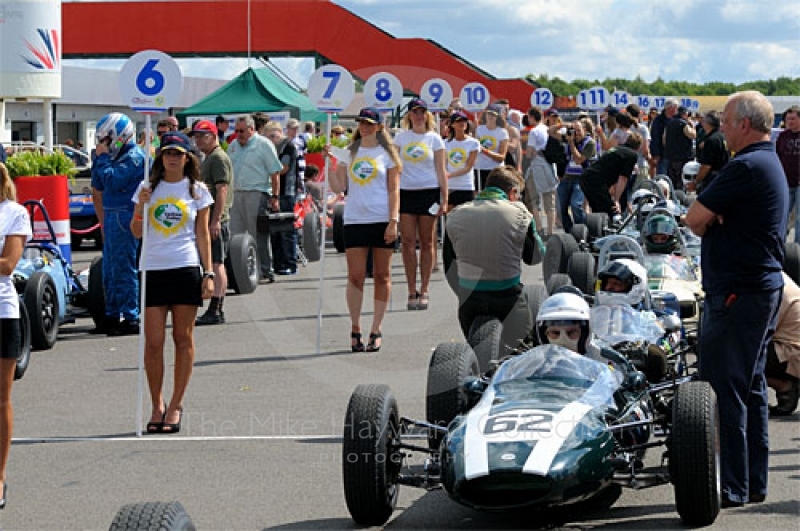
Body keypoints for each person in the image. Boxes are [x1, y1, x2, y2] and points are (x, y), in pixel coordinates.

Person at [685, 90, 789, 508]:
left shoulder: (745, 166)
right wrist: (716, 217)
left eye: (726, 122)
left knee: (725, 389)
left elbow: (694, 218)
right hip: (755, 289)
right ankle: (750, 481)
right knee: (749, 387)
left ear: (744, 124)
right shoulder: (767, 161)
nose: (722, 129)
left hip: (738, 291)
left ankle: (733, 486)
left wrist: (713, 218)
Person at [130, 132, 214, 435]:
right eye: (167, 153)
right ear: (160, 157)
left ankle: (177, 404)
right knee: (153, 343)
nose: (173, 158)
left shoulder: (197, 190)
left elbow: (203, 234)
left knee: (183, 338)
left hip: (185, 266)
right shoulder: (147, 188)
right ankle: (157, 404)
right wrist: (140, 207)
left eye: (178, 153)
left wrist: (209, 272)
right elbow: (136, 232)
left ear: (187, 157)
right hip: (153, 268)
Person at [444, 166, 544, 351]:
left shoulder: (455, 215)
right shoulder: (520, 214)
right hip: (509, 298)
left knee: (473, 356)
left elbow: (449, 267)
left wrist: (465, 292)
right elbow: (535, 257)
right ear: (512, 192)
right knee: (524, 352)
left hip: (470, 301)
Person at [329, 107, 401, 352]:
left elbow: (394, 189)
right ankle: (355, 327)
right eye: (362, 123)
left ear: (380, 126)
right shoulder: (350, 152)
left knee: (382, 275)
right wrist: (332, 166)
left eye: (370, 123)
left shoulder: (388, 154)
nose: (365, 127)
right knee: (355, 275)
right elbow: (339, 186)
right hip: (355, 217)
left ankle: (376, 328)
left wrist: (393, 220)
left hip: (381, 217)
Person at [91, 112, 146, 336]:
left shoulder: (135, 157)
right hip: (112, 214)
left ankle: (131, 316)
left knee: (124, 268)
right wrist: (99, 160)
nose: (102, 145)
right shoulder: (113, 158)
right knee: (109, 270)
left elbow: (113, 180)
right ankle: (112, 314)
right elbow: (98, 184)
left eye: (105, 139)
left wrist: (102, 159)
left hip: (126, 214)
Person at [393, 98, 447, 311]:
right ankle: (411, 289)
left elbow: (441, 169)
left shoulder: (434, 139)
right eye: (415, 112)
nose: (418, 115)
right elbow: (394, 168)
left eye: (422, 112)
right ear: (409, 115)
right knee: (407, 242)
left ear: (427, 115)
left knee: (427, 242)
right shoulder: (401, 138)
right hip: (406, 192)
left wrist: (445, 196)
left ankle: (425, 289)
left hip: (429, 192)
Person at [0, 162, 32, 509]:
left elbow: (8, 264)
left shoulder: (14, 213)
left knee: (1, 398)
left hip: (2, 310)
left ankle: (0, 476)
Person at [227, 115, 283, 283]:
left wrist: (275, 196)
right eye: (236, 131)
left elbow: (275, 172)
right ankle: (240, 271)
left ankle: (265, 270)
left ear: (251, 129)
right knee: (235, 235)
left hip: (257, 193)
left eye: (242, 131)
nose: (239, 134)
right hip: (236, 194)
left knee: (257, 234)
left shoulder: (264, 145)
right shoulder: (233, 146)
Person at [189, 120, 233, 326]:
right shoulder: (209, 158)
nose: (198, 140)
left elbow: (221, 189)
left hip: (217, 220)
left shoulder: (217, 158)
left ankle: (216, 308)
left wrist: (215, 220)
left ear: (214, 136)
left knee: (216, 263)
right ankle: (215, 308)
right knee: (214, 262)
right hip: (210, 218)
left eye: (202, 136)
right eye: (196, 136)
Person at [263, 121, 299, 275]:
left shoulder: (288, 146)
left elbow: (284, 168)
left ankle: (290, 263)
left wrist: (267, 170)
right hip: (273, 191)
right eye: (268, 136)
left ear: (280, 133)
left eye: (273, 136)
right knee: (275, 231)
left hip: (286, 192)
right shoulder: (269, 149)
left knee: (287, 231)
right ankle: (278, 264)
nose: (271, 139)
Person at [580, 133, 641, 216]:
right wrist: (616, 200)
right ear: (638, 147)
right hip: (596, 181)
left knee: (599, 213)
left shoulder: (616, 149)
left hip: (586, 177)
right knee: (611, 212)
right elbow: (623, 178)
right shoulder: (631, 155)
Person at [765, 272, 800, 415]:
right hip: (789, 347)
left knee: (736, 358)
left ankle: (784, 386)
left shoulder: (774, 287)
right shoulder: (780, 279)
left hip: (792, 352)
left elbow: (762, 331)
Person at [522, 107, 559, 237]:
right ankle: (550, 231)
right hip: (550, 165)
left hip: (537, 166)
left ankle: (539, 227)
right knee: (550, 200)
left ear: (532, 117)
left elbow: (530, 152)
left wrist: (528, 154)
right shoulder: (547, 129)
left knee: (533, 198)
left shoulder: (534, 132)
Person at [560, 120, 595, 233]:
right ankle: (570, 231)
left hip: (581, 178)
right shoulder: (570, 139)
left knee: (576, 205)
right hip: (567, 178)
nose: (576, 134)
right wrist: (563, 125)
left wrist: (571, 143)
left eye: (579, 130)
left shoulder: (590, 143)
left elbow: (578, 159)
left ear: (585, 131)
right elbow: (550, 132)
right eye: (574, 131)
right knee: (561, 207)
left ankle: (582, 230)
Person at [444, 110, 479, 210]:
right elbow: (444, 163)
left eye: (464, 120)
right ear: (452, 124)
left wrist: (450, 175)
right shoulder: (445, 143)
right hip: (450, 185)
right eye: (459, 121)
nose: (462, 123)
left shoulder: (473, 143)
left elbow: (468, 167)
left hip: (466, 185)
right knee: (450, 217)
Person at [688, 110, 729, 193]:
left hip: (712, 178)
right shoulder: (723, 137)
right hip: (724, 175)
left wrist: (696, 182)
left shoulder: (711, 140)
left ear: (707, 123)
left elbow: (706, 166)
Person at [776, 106, 800, 243]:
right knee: (782, 214)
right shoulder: (783, 136)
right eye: (787, 119)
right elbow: (777, 156)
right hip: (786, 181)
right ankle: (779, 244)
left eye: (793, 118)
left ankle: (797, 248)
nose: (789, 122)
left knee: (798, 218)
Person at [474, 103, 509, 190]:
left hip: (495, 170)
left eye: (493, 115)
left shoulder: (502, 132)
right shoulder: (479, 129)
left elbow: (501, 157)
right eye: (489, 113)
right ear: (485, 114)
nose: (491, 116)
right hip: (480, 168)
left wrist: (484, 151)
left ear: (497, 117)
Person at [662, 106, 696, 191]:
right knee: (680, 181)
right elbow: (693, 135)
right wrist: (692, 125)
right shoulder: (683, 124)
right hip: (683, 157)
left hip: (671, 157)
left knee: (672, 181)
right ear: (684, 114)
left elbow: (664, 140)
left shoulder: (669, 124)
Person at [649, 99, 678, 176]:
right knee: (662, 177)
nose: (677, 109)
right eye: (675, 107)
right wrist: (656, 154)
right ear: (670, 108)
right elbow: (655, 138)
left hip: (675, 155)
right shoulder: (658, 120)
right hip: (662, 154)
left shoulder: (677, 119)